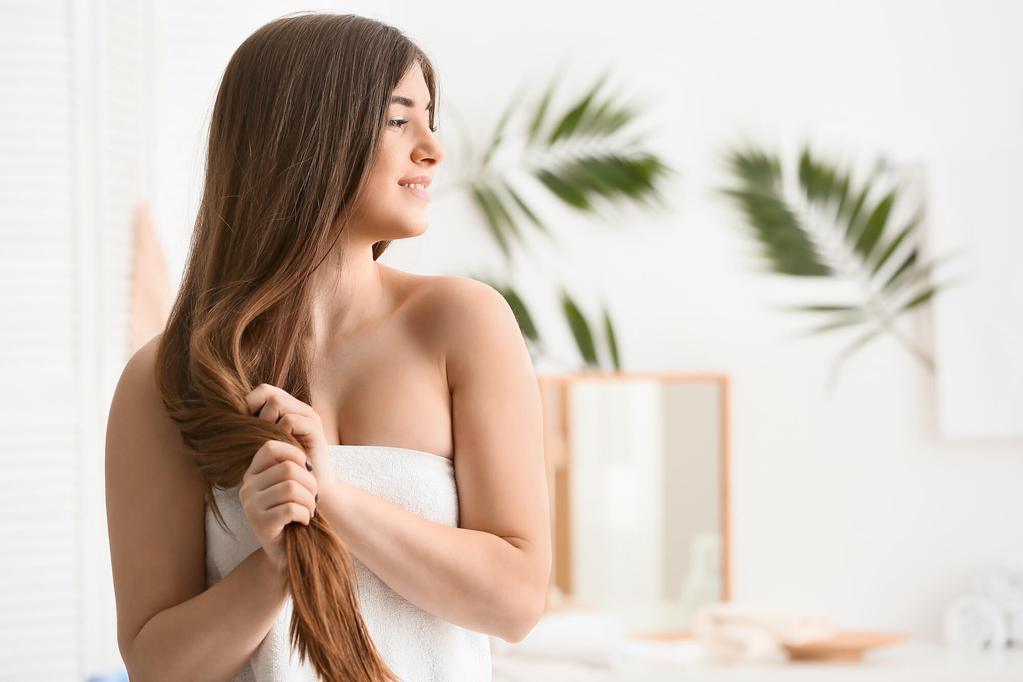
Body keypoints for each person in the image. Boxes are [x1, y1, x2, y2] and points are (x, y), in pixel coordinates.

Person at [105, 12, 551, 681]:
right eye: (399, 120)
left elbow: (515, 603)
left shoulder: (462, 322)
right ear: (305, 137)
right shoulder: (166, 379)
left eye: (430, 119)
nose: (432, 148)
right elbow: (156, 666)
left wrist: (334, 498)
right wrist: (275, 567)